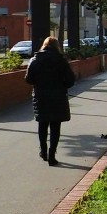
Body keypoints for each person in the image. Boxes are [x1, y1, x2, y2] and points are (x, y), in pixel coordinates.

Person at [24, 36, 76, 166]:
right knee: (55, 126)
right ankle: (52, 155)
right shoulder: (62, 61)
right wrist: (62, 85)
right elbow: (70, 80)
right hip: (57, 96)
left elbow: (29, 79)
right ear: (57, 46)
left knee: (42, 124)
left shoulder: (34, 60)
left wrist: (39, 83)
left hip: (40, 96)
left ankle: (43, 151)